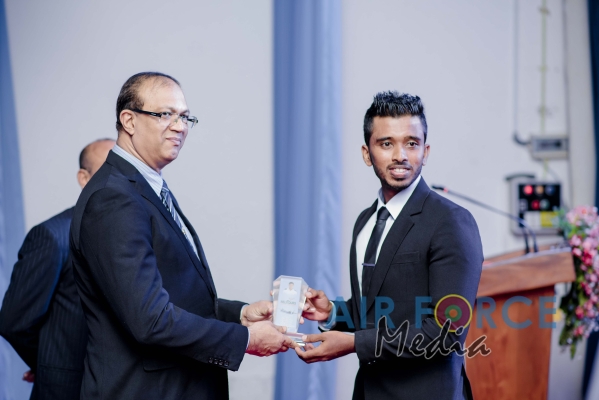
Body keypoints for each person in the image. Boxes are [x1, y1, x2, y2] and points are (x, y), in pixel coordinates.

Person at [69, 72, 293, 399]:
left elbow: (174, 296)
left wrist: (240, 315)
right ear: (129, 120)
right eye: (165, 114)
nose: (180, 126)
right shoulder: (114, 198)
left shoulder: (144, 186)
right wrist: (245, 339)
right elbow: (150, 319)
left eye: (185, 117)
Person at [297, 91, 483, 400]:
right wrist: (331, 313)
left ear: (425, 151)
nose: (401, 155)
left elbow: (448, 333)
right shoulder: (365, 222)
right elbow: (376, 310)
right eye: (386, 144)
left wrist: (354, 343)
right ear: (366, 153)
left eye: (411, 143)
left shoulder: (451, 221)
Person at [0, 138, 115, 400]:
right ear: (84, 178)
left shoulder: (136, 236)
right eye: (108, 171)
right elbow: (14, 322)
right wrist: (50, 363)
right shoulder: (53, 237)